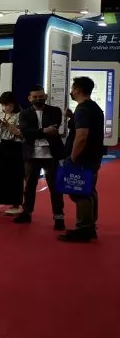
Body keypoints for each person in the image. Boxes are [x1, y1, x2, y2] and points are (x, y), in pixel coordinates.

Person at [60, 76, 105, 242]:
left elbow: (82, 136)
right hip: (93, 156)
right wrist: (72, 118)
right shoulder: (93, 108)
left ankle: (84, 228)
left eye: (73, 88)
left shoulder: (83, 109)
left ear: (78, 89)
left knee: (79, 192)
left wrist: (73, 158)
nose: (71, 91)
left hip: (82, 159)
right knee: (89, 190)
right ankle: (90, 225)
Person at [15, 85, 66, 227]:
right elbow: (26, 132)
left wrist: (36, 132)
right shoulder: (24, 113)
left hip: (52, 155)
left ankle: (59, 217)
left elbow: (53, 129)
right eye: (35, 97)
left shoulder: (55, 111)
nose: (38, 99)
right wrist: (44, 130)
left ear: (46, 96)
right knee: (29, 187)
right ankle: (27, 213)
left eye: (41, 96)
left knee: (55, 188)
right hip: (31, 155)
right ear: (29, 98)